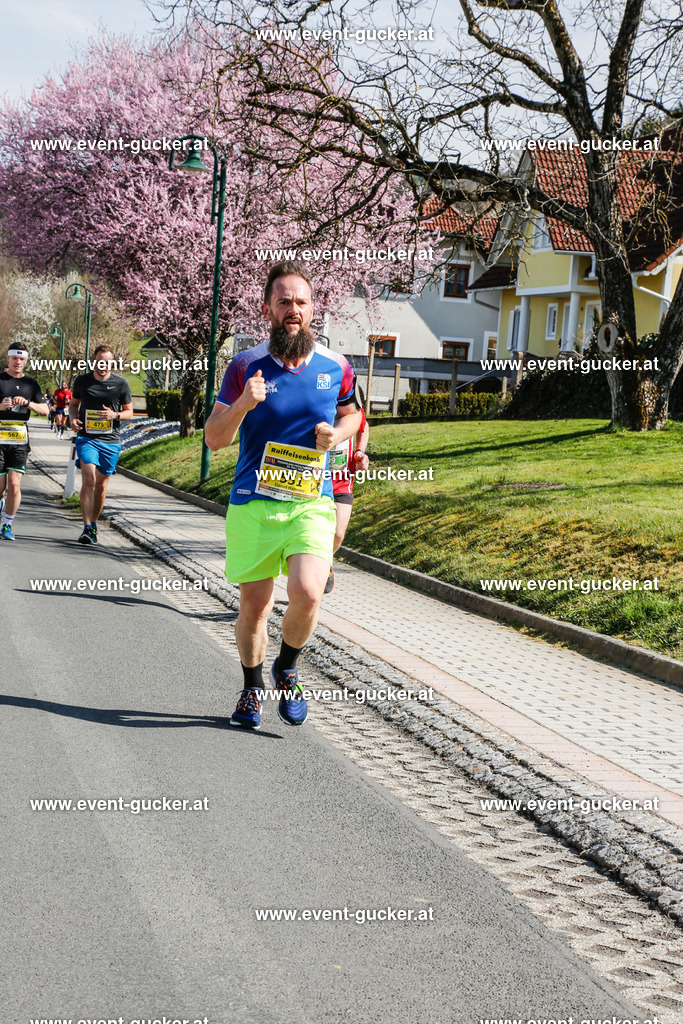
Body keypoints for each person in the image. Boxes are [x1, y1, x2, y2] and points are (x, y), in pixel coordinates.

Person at [205, 261, 361, 730]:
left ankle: (286, 667)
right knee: (255, 606)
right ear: (267, 308)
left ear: (313, 309)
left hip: (309, 502)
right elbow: (214, 439)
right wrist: (242, 404)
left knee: (309, 592)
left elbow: (355, 417)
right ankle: (252, 688)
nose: (293, 310)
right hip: (253, 502)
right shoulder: (244, 366)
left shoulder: (337, 366)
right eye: (283, 302)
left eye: (301, 302)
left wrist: (336, 435)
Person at [68, 345, 133, 545]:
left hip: (111, 441)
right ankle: (87, 527)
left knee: (101, 485)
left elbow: (129, 412)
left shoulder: (121, 384)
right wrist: (72, 419)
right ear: (93, 362)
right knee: (88, 479)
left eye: (107, 362)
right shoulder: (82, 381)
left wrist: (115, 415)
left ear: (112, 363)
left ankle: (94, 523)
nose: (103, 365)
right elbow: (73, 405)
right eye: (100, 361)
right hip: (87, 438)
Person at [0, 343, 49, 540]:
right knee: (0, 487)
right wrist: (1, 406)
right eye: (14, 358)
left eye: (21, 359)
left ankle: (7, 525)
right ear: (8, 359)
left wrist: (28, 403)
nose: (17, 362)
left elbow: (46, 411)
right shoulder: (0, 380)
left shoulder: (31, 384)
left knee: (14, 485)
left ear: (26, 361)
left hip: (19, 440)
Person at [324, 405, 370, 593]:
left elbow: (363, 426)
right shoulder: (318, 398)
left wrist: (360, 451)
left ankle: (325, 562)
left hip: (343, 480)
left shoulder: (350, 405)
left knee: (338, 534)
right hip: (315, 479)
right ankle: (316, 568)